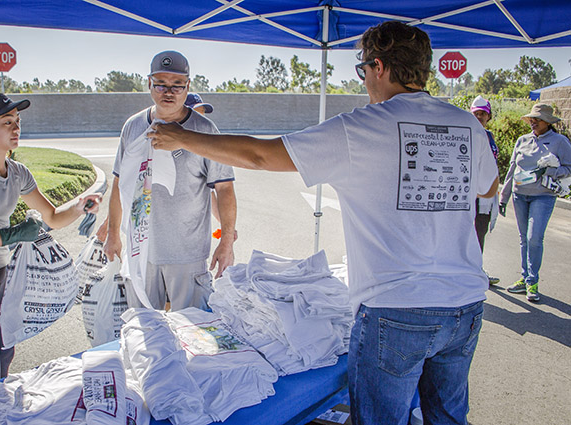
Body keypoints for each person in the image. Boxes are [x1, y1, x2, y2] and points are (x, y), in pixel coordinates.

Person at [148, 21, 498, 424]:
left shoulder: (363, 127)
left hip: (396, 308)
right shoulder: (467, 124)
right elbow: (487, 187)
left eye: (362, 70)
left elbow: (263, 156)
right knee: (449, 417)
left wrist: (182, 137)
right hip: (464, 304)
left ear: (379, 67)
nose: (365, 80)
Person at [0, 90, 101, 388]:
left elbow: (52, 217)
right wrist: (12, 234)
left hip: (4, 280)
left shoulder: (18, 173)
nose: (16, 128)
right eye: (7, 122)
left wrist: (81, 205)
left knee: (4, 359)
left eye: (17, 121)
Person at [104, 51, 237, 312]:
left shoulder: (205, 130)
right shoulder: (132, 127)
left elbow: (224, 188)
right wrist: (112, 234)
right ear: (149, 84)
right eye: (161, 83)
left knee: (194, 334)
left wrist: (227, 240)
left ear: (188, 86)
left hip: (187, 255)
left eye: (177, 85)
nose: (169, 91)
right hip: (141, 251)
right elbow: (120, 184)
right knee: (145, 332)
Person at [500, 103, 571, 302]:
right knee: (524, 238)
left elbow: (569, 167)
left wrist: (549, 171)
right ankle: (524, 278)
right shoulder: (522, 140)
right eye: (531, 118)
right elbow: (512, 169)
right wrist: (503, 197)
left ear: (547, 122)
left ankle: (533, 280)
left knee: (534, 238)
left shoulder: (559, 142)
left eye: (537, 119)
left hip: (543, 196)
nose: (533, 122)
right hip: (519, 195)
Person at [184, 93, 237, 241]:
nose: (200, 120)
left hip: (194, 234)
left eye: (202, 114)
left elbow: (212, 191)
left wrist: (226, 227)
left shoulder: (206, 146)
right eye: (195, 114)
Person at [470, 96, 500, 285]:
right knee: (465, 233)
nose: (479, 117)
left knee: (480, 231)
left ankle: (477, 270)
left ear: (489, 116)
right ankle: (467, 272)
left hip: (486, 195)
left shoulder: (488, 136)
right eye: (476, 113)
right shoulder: (465, 133)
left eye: (483, 114)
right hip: (468, 193)